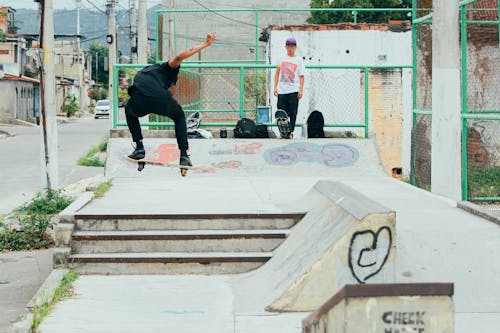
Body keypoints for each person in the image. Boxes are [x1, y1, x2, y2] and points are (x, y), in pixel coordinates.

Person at [125, 32, 216, 166]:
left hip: (139, 97)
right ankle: (184, 155)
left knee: (129, 110)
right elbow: (180, 56)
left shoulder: (145, 72)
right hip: (158, 98)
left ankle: (139, 147)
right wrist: (206, 44)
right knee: (179, 116)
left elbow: (134, 90)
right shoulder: (167, 68)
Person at [273, 37, 305, 138]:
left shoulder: (299, 60)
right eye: (288, 46)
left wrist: (300, 90)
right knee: (281, 113)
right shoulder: (281, 58)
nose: (290, 48)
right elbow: (277, 73)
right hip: (282, 90)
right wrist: (275, 87)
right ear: (285, 47)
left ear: (295, 47)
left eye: (292, 46)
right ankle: (282, 133)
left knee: (293, 113)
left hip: (294, 90)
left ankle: (290, 132)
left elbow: (301, 76)